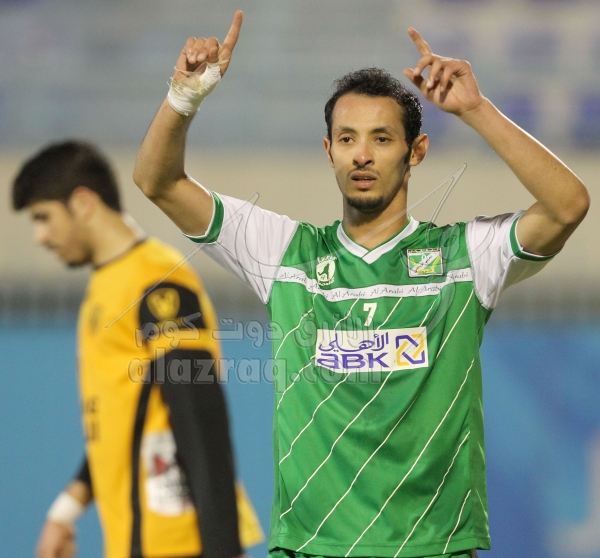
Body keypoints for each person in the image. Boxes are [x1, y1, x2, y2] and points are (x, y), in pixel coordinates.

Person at [132, 11, 589, 558]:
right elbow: (157, 181)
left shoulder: (465, 258)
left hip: (431, 548)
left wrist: (476, 111)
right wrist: (183, 96)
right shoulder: (284, 253)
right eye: (347, 138)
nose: (363, 155)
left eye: (382, 138)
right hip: (312, 547)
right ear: (329, 151)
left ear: (416, 151)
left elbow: (568, 206)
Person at [12, 140, 263, 558]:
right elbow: (121, 419)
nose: (40, 237)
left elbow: (198, 414)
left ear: (83, 203)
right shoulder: (105, 286)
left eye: (43, 217)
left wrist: (223, 547)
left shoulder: (157, 278)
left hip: (180, 543)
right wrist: (67, 509)